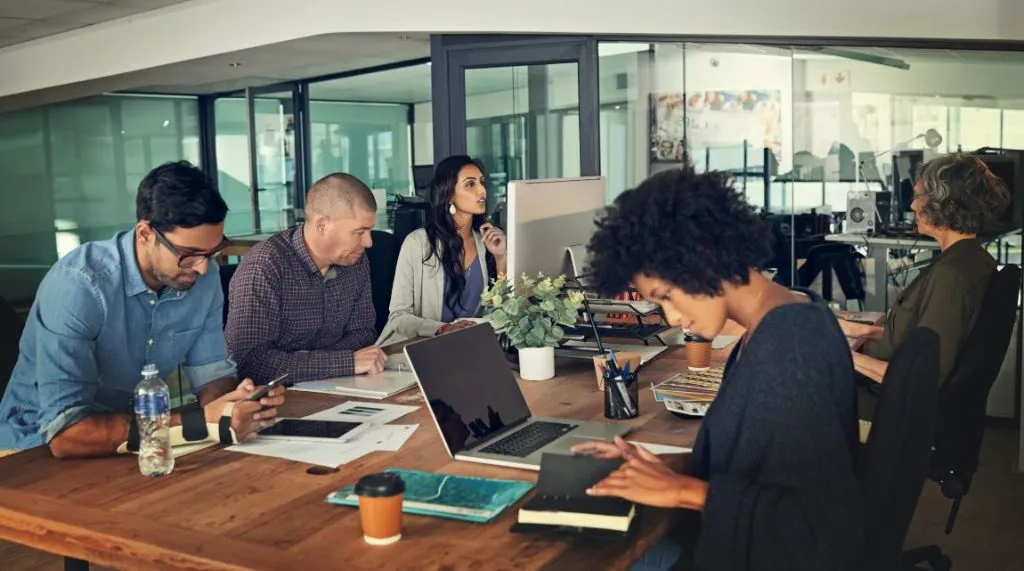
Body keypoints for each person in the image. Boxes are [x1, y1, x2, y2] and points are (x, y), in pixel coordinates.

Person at [570, 167, 863, 571]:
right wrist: (664, 467)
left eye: (667, 296)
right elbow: (757, 459)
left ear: (703, 258)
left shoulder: (789, 346)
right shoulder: (784, 313)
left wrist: (683, 491)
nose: (671, 317)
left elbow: (815, 525)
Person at [0, 161, 285, 457]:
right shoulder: (79, 286)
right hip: (30, 452)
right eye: (189, 255)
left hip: (132, 441)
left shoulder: (203, 276)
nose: (202, 268)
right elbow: (65, 433)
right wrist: (200, 421)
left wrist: (236, 404)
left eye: (213, 251)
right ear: (145, 234)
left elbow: (211, 374)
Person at [838, 154, 1010, 399]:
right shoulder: (973, 259)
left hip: (898, 410)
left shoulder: (950, 277)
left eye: (918, 197)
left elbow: (922, 377)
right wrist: (859, 331)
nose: (912, 206)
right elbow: (923, 338)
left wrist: (842, 354)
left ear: (947, 205)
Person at [225, 172, 385, 385]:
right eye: (359, 232)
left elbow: (363, 334)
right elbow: (252, 362)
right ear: (322, 225)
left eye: (370, 231)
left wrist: (306, 362)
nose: (368, 242)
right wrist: (345, 361)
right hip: (277, 400)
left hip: (339, 387)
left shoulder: (355, 259)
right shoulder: (266, 264)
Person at [376, 155, 506, 346]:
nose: (482, 191)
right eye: (470, 184)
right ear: (449, 194)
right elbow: (399, 316)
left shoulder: (489, 241)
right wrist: (442, 329)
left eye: (482, 183)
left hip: (468, 348)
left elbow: (502, 312)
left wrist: (501, 257)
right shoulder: (417, 243)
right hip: (416, 350)